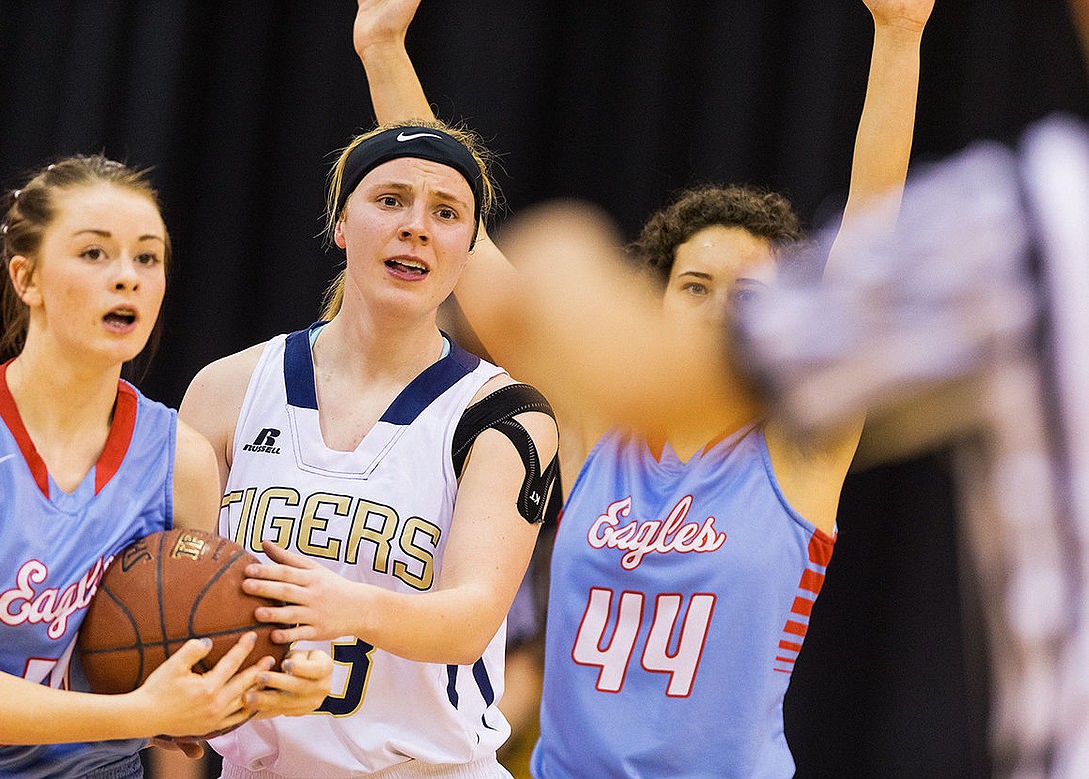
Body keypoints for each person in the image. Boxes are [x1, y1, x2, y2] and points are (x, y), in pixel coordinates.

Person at [353, 0, 933, 775]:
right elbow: (469, 240)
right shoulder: (596, 425)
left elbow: (871, 236)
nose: (722, 312)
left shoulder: (802, 446)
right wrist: (381, 44)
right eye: (695, 286)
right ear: (651, 308)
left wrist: (900, 35)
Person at [178, 119, 560, 778]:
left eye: (446, 212)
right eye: (390, 200)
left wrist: (345, 606)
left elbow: (471, 618)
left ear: (468, 250)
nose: (416, 226)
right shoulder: (225, 390)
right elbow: (176, 586)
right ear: (342, 225)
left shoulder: (505, 414)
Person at [0, 155, 307, 778]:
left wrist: (275, 679)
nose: (126, 277)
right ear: (27, 279)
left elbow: (184, 679)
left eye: (147, 257)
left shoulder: (180, 456)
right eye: (94, 254)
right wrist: (136, 712)